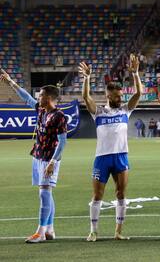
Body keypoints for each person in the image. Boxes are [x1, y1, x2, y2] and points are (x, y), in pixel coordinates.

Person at [80, 55, 143, 241]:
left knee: (121, 194)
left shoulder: (125, 110)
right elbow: (85, 96)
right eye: (116, 97)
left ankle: (118, 232)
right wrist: (87, 78)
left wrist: (136, 74)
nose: (119, 99)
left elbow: (138, 94)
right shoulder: (98, 112)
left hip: (121, 156)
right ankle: (93, 231)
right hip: (102, 157)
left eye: (121, 96)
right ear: (108, 96)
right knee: (97, 194)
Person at [0, 70, 67, 244]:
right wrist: (10, 82)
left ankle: (41, 232)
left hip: (48, 159)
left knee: (44, 194)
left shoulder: (59, 116)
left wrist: (52, 162)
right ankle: (50, 229)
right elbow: (26, 97)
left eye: (42, 95)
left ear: (50, 98)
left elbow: (62, 142)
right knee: (47, 193)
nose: (38, 97)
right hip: (37, 156)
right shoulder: (41, 110)